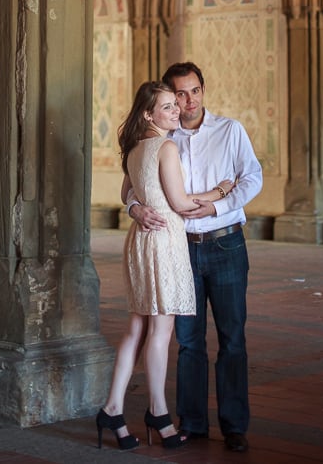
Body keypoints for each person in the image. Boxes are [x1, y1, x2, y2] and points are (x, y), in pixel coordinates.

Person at [129, 63, 263, 454]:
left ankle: (235, 425)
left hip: (225, 243)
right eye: (179, 95)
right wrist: (135, 208)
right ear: (167, 98)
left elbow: (251, 177)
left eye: (194, 92)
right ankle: (192, 423)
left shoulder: (230, 130)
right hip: (180, 248)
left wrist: (219, 207)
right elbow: (139, 186)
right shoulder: (160, 138)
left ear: (204, 90)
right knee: (188, 342)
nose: (188, 102)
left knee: (232, 338)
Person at [96, 81, 234, 451]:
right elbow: (179, 203)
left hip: (142, 240)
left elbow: (127, 194)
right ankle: (158, 412)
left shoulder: (136, 148)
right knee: (159, 330)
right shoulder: (166, 146)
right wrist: (222, 192)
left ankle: (112, 409)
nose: (178, 111)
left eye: (177, 105)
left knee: (137, 327)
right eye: (169, 107)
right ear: (148, 114)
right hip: (163, 243)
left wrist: (137, 208)